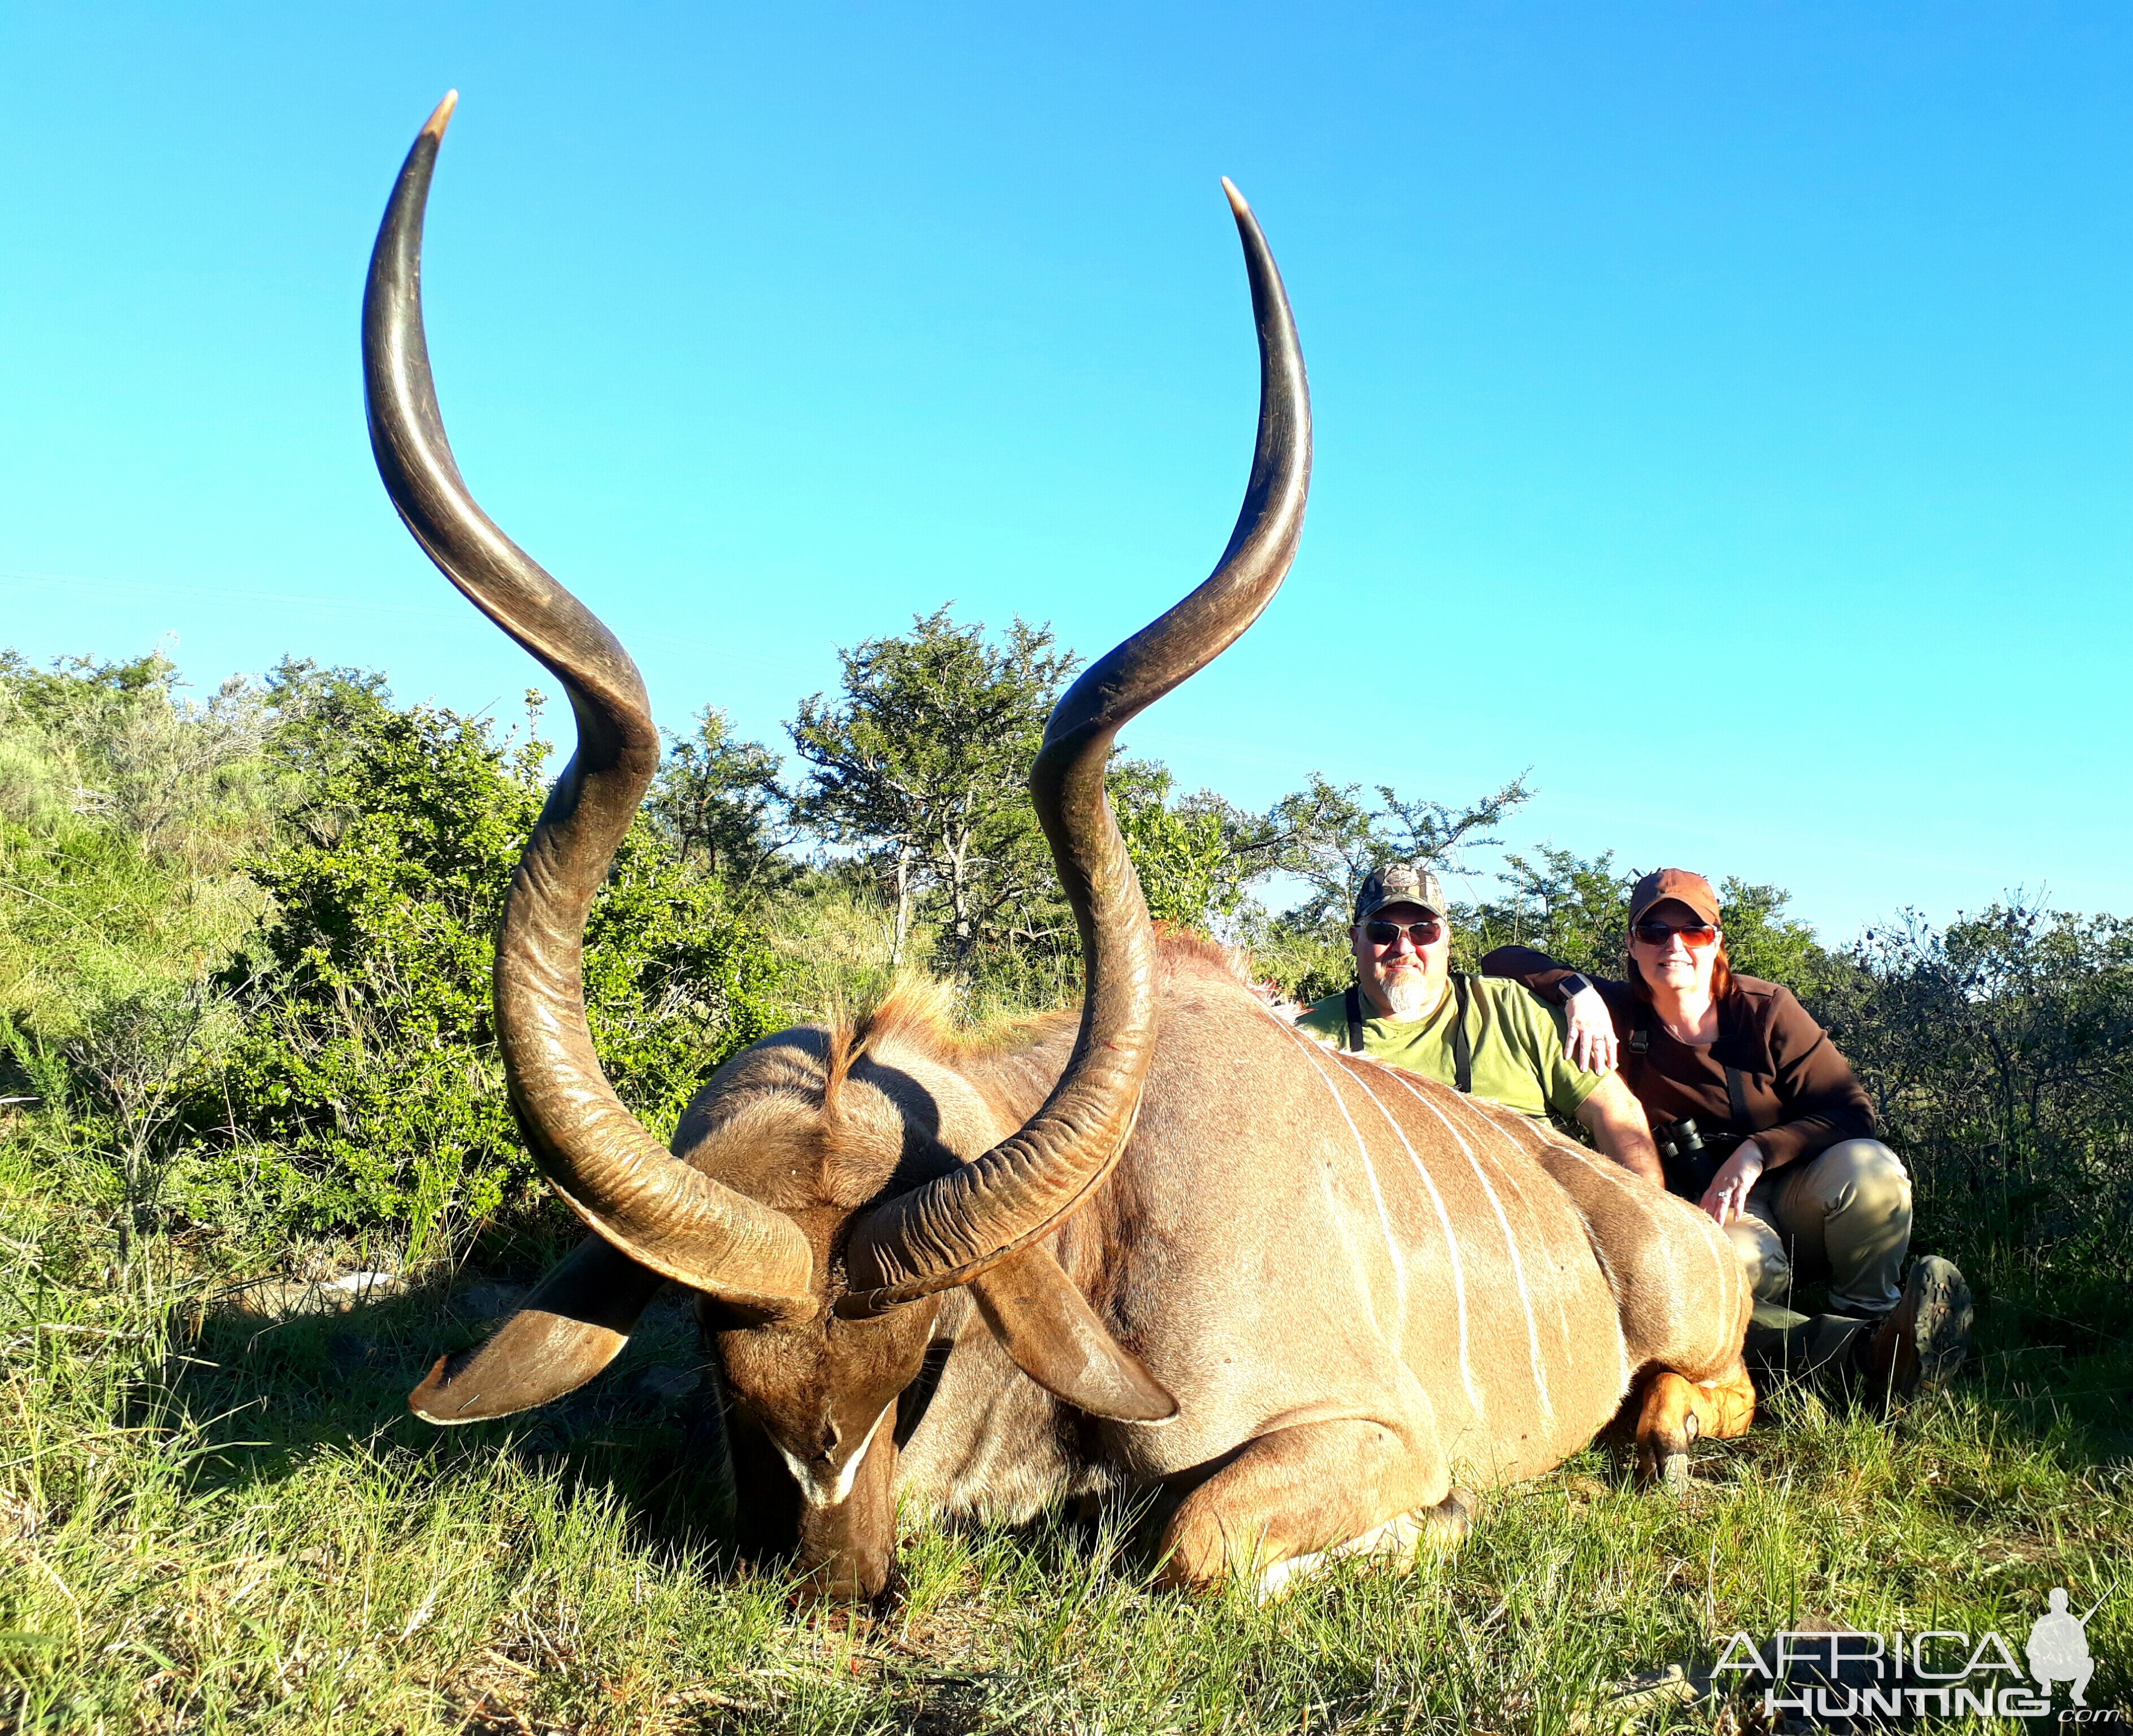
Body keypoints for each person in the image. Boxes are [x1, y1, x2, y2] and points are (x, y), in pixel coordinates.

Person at [1482, 866, 1971, 1396]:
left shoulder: (1766, 1011)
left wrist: (1759, 1151)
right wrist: (1575, 990)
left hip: (1798, 1189)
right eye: (1655, 932)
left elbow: (1852, 1112)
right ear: (1632, 944)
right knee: (1735, 1267)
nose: (1675, 946)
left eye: (1693, 932)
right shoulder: (1616, 1012)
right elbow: (1501, 959)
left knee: (1871, 1169)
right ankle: (1848, 1359)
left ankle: (1875, 1317)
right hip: (1716, 1209)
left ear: (1716, 941)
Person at [1295, 863, 1663, 1179]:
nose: (1404, 948)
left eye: (1423, 931)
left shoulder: (1511, 1009)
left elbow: (1617, 1114)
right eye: (1383, 932)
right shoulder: (1309, 1035)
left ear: (1447, 940)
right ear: (1356, 940)